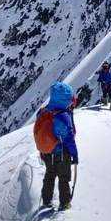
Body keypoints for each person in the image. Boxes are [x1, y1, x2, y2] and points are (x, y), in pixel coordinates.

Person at [37, 81, 78, 210]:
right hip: (61, 153)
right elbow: (69, 139)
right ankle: (65, 203)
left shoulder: (43, 112)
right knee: (64, 178)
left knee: (49, 175)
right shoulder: (62, 116)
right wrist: (74, 155)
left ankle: (46, 200)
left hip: (47, 152)